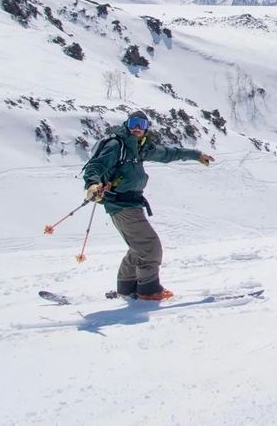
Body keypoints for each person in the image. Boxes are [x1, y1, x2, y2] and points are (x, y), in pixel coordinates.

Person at [83, 110, 214, 301]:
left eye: (142, 125)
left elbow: (168, 153)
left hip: (131, 204)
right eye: (134, 123)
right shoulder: (116, 145)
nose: (137, 128)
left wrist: (196, 155)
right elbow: (95, 166)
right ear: (127, 124)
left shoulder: (139, 148)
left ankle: (127, 288)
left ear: (145, 130)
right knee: (150, 247)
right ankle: (149, 290)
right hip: (121, 204)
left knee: (138, 247)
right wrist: (92, 184)